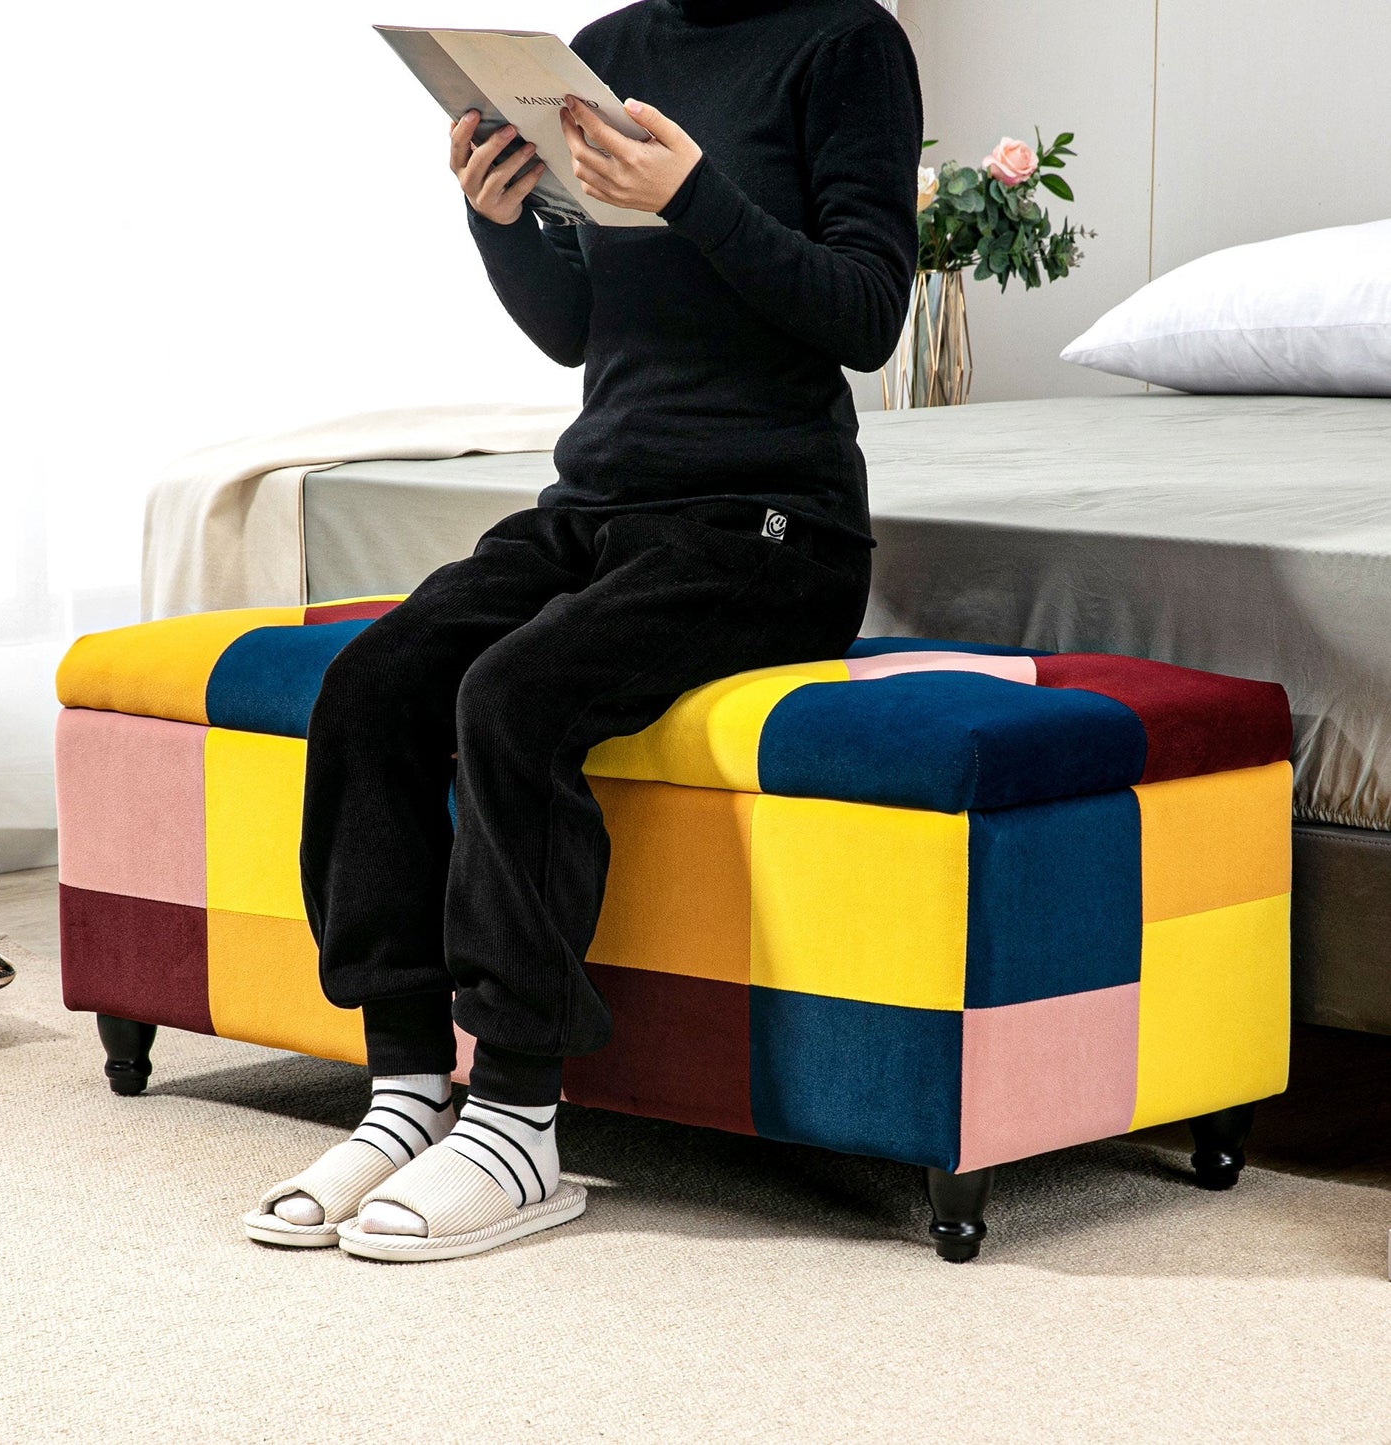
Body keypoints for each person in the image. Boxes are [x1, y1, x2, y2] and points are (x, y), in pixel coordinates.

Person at [243, 0, 922, 1261]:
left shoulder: (845, 44)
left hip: (771, 526)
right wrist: (496, 218)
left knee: (514, 694)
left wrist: (694, 196)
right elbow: (575, 328)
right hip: (599, 502)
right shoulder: (602, 52)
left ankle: (516, 1119)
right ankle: (406, 1090)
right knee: (374, 683)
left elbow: (867, 313)